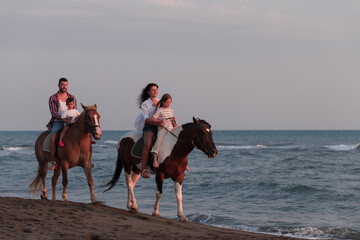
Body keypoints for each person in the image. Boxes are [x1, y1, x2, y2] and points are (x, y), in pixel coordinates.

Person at [150, 93, 189, 171]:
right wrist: (160, 121)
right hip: (163, 129)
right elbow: (152, 119)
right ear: (163, 102)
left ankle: (184, 163)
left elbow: (172, 122)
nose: (168, 104)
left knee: (181, 141)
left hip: (171, 129)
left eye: (170, 102)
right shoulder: (160, 110)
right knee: (159, 141)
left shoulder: (171, 110)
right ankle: (155, 159)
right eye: (167, 102)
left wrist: (174, 121)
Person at [46, 78, 77, 171]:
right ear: (58, 85)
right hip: (58, 121)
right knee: (53, 138)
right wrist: (64, 119)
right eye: (62, 85)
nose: (64, 87)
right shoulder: (53, 98)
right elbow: (54, 112)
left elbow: (74, 110)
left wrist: (72, 119)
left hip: (71, 120)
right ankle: (53, 161)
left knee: (84, 133)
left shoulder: (72, 97)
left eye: (66, 85)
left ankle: (85, 159)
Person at [134, 83, 164, 178]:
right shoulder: (145, 104)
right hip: (149, 126)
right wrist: (158, 123)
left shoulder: (160, 102)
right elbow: (146, 119)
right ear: (148, 92)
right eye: (153, 90)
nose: (155, 92)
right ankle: (143, 170)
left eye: (156, 90)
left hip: (160, 125)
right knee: (147, 145)